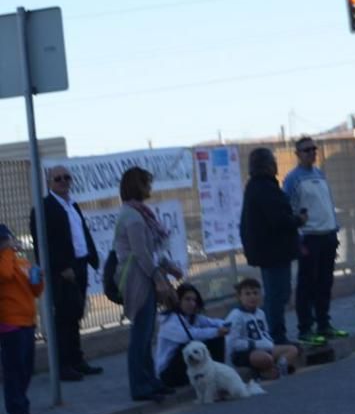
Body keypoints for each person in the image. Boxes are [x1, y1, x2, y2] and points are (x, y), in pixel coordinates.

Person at [113, 166, 183, 401]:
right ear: (138, 186)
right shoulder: (132, 217)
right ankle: (140, 385)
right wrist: (158, 278)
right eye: (147, 183)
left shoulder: (139, 213)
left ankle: (150, 380)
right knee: (140, 336)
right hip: (138, 280)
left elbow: (151, 251)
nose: (150, 188)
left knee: (146, 333)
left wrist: (168, 267)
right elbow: (141, 253)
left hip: (145, 276)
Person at [29, 165, 102, 381]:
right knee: (63, 318)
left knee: (76, 315)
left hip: (79, 265)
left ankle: (77, 360)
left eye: (66, 177)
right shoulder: (44, 208)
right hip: (62, 271)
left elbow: (81, 233)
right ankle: (63, 365)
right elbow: (43, 243)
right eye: (58, 178)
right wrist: (61, 268)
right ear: (49, 182)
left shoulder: (73, 205)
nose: (63, 181)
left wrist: (91, 257)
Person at [282, 137, 347, 345]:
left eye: (313, 149)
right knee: (307, 285)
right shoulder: (293, 179)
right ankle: (305, 328)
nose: (311, 153)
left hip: (328, 235)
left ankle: (324, 323)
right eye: (306, 150)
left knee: (325, 283)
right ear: (298, 154)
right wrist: (298, 238)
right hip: (310, 237)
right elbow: (289, 208)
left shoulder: (320, 175)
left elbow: (327, 204)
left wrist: (334, 229)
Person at [239, 147, 306, 345]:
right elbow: (279, 219)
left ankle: (274, 335)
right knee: (279, 294)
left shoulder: (257, 186)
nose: (276, 164)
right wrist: (298, 220)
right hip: (273, 251)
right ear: (267, 165)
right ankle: (276, 337)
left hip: (269, 250)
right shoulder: (264, 188)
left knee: (277, 293)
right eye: (272, 161)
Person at [0, 223, 45, 414]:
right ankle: (17, 411)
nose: (12, 243)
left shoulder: (20, 261)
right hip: (10, 324)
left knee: (26, 369)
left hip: (28, 322)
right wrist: (7, 252)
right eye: (6, 241)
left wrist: (38, 278)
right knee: (14, 371)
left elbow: (35, 291)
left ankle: (21, 406)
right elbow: (5, 275)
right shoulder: (5, 263)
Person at [155, 282, 229, 387]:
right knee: (190, 346)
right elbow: (188, 336)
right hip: (168, 372)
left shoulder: (192, 317)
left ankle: (217, 374)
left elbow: (212, 322)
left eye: (194, 300)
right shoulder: (169, 321)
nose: (192, 304)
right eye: (187, 299)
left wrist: (227, 325)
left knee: (216, 337)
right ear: (178, 300)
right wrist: (216, 332)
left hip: (188, 367)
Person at [225, 278, 300, 380]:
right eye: (247, 294)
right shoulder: (235, 315)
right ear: (239, 297)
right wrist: (255, 344)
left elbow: (265, 333)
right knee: (265, 358)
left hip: (263, 348)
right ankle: (265, 371)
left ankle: (277, 369)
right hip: (244, 353)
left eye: (255, 293)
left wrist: (268, 342)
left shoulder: (260, 313)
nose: (252, 297)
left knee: (292, 350)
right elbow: (232, 343)